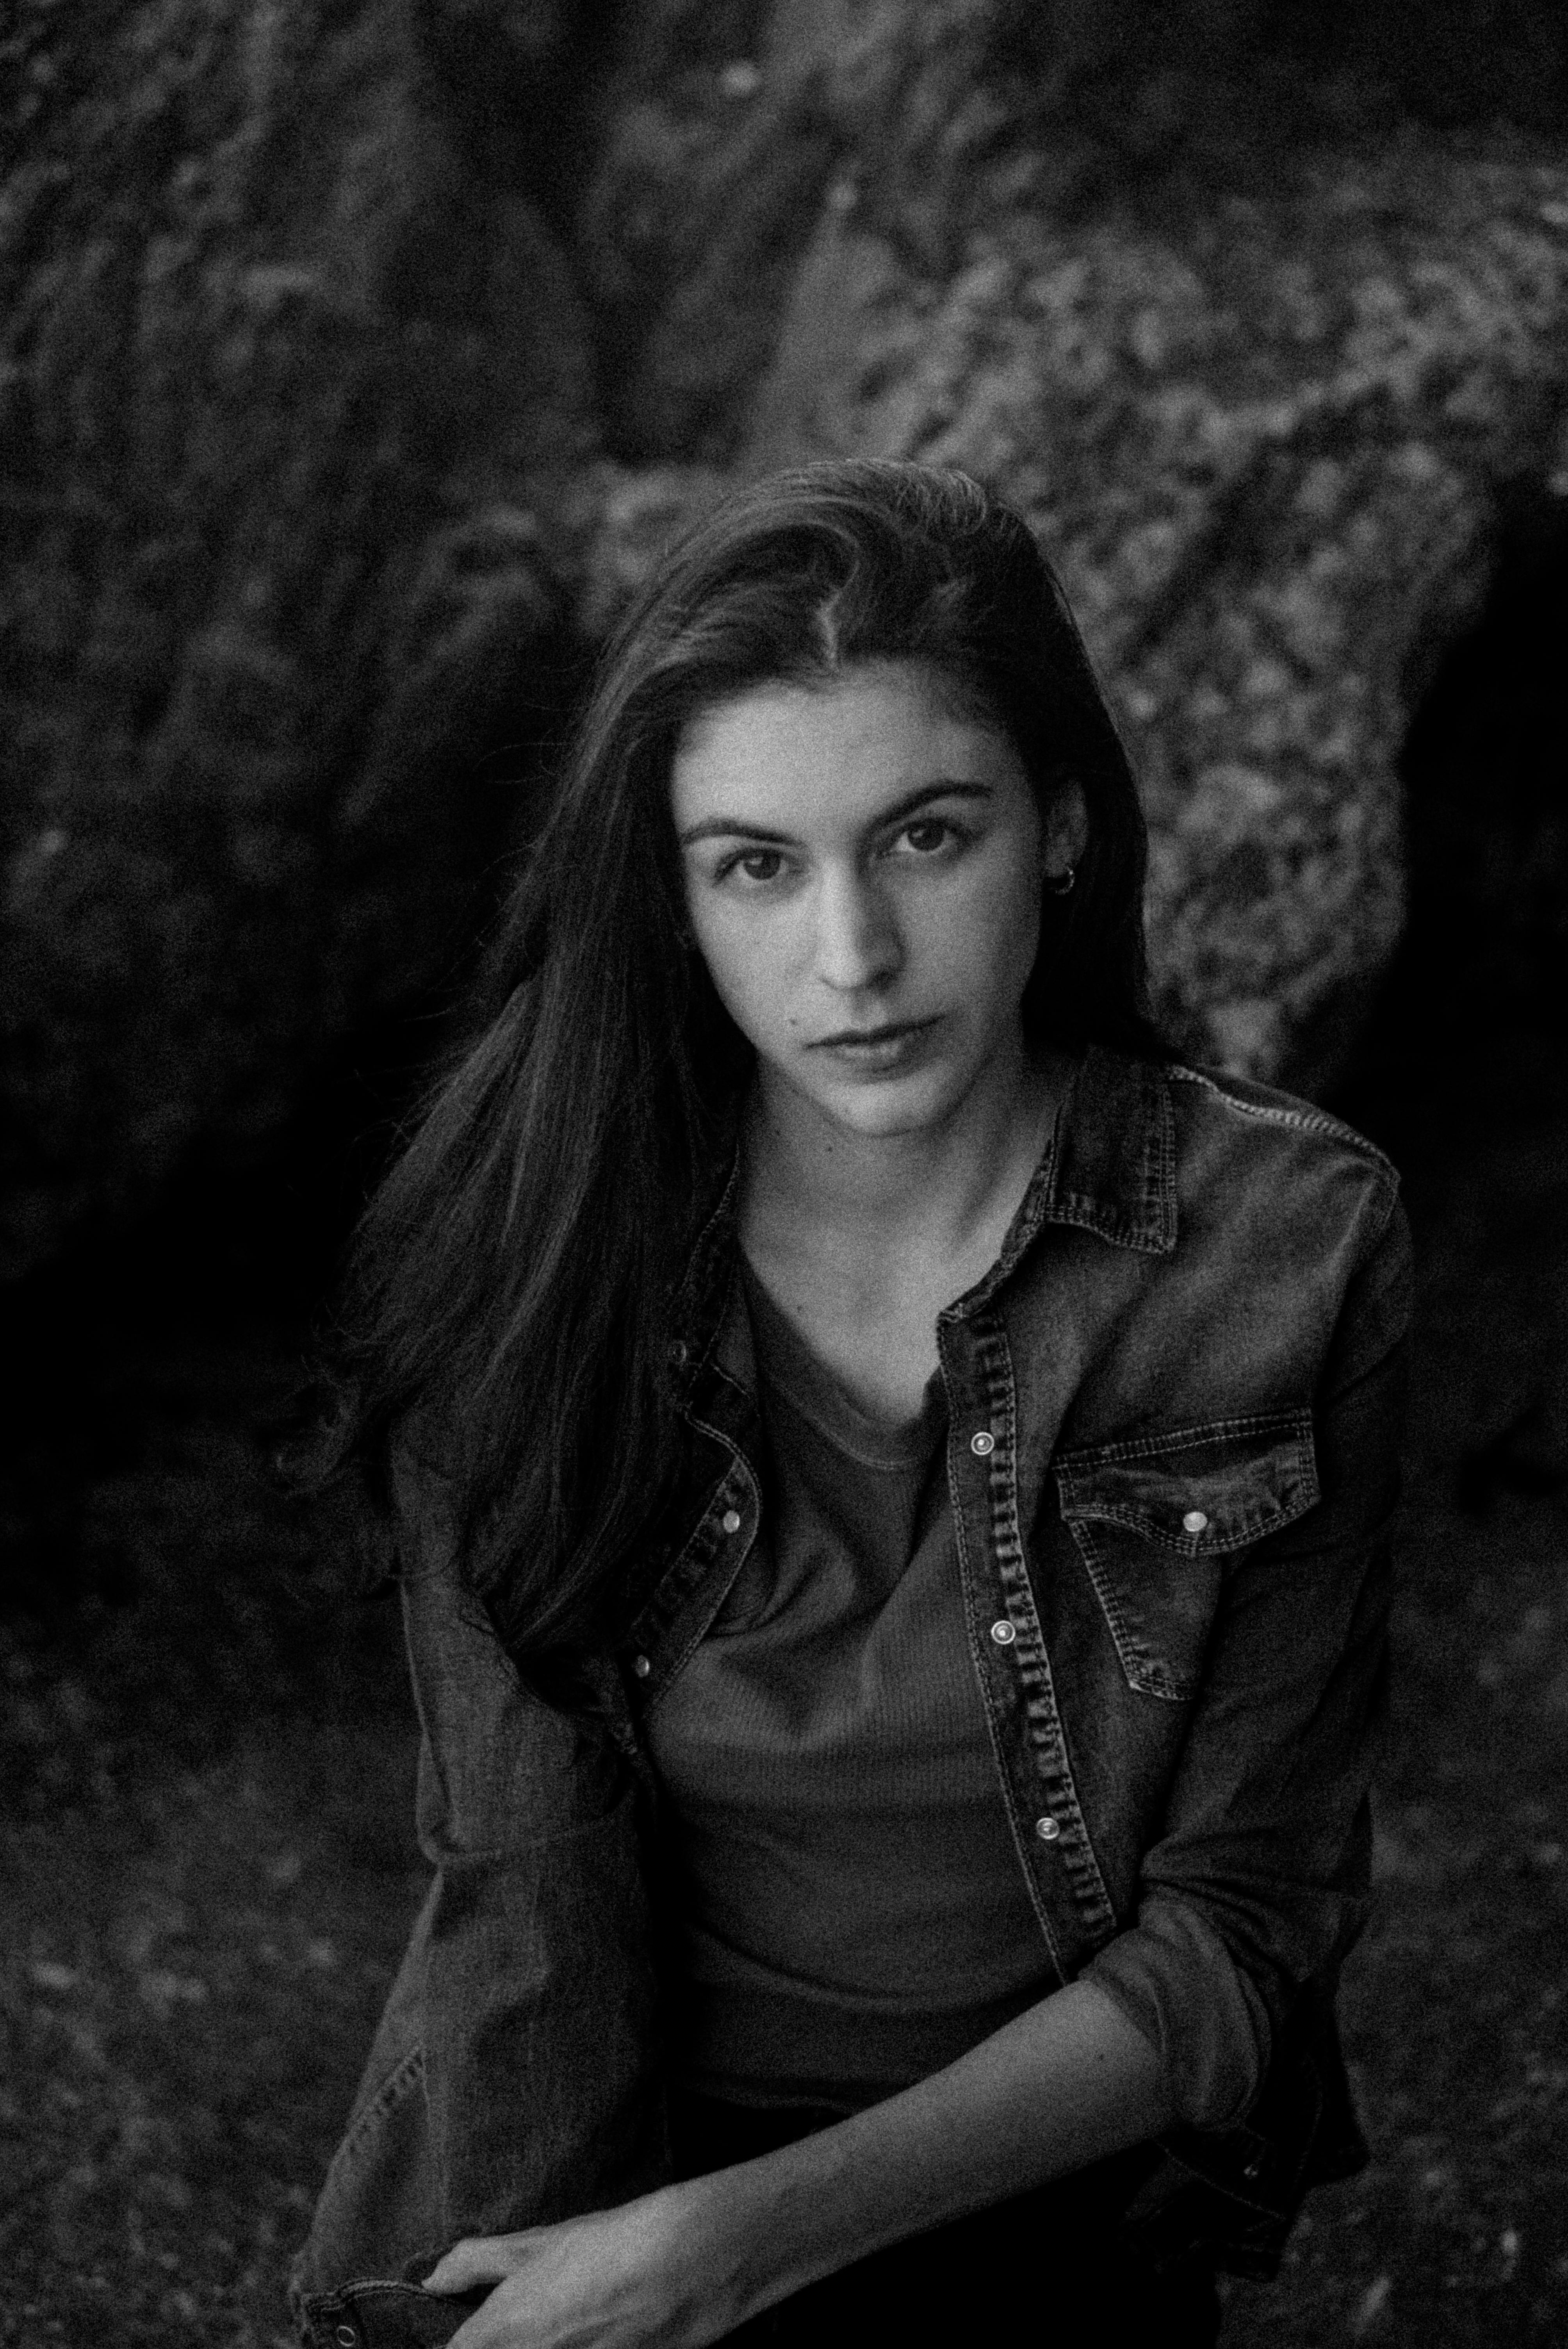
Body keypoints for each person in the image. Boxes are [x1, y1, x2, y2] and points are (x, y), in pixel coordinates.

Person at [289, 460, 1409, 2349]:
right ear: (669, 897)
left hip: (1050, 2173)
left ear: (1059, 825)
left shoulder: (1280, 1252)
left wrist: (733, 2247)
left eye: (924, 836)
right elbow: (523, 1897)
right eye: (755, 864)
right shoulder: (530, 1258)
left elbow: (1241, 1937)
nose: (851, 959)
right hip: (621, 2140)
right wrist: (562, 2273)